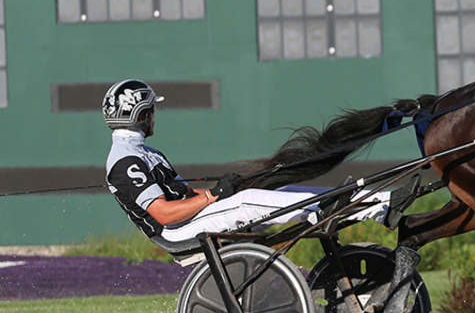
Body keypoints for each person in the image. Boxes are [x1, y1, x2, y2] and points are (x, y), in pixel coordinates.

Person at [102, 79, 418, 245]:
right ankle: (363, 207)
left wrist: (221, 190)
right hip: (174, 232)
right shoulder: (125, 161)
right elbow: (164, 214)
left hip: (189, 219)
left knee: (275, 189)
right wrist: (215, 197)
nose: (156, 115)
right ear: (141, 115)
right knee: (249, 202)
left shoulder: (147, 153)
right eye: (152, 110)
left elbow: (186, 198)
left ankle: (377, 203)